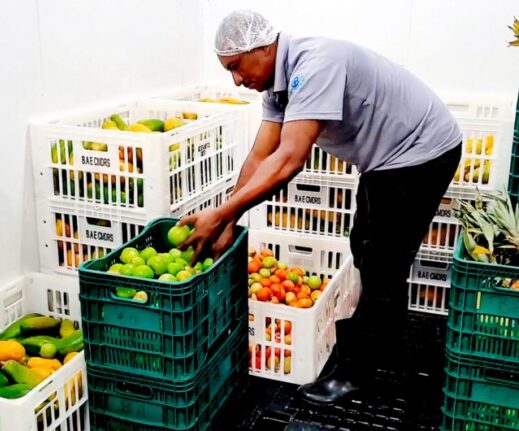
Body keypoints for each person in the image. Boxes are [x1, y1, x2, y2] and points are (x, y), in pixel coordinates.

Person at [177, 9, 462, 404]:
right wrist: (230, 218)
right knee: (365, 244)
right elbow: (261, 156)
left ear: (263, 47)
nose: (237, 80)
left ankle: (354, 374)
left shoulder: (314, 65)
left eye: (237, 66)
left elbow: (290, 159)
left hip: (420, 152)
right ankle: (388, 344)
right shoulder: (277, 89)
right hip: (384, 159)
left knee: (382, 259)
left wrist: (221, 214)